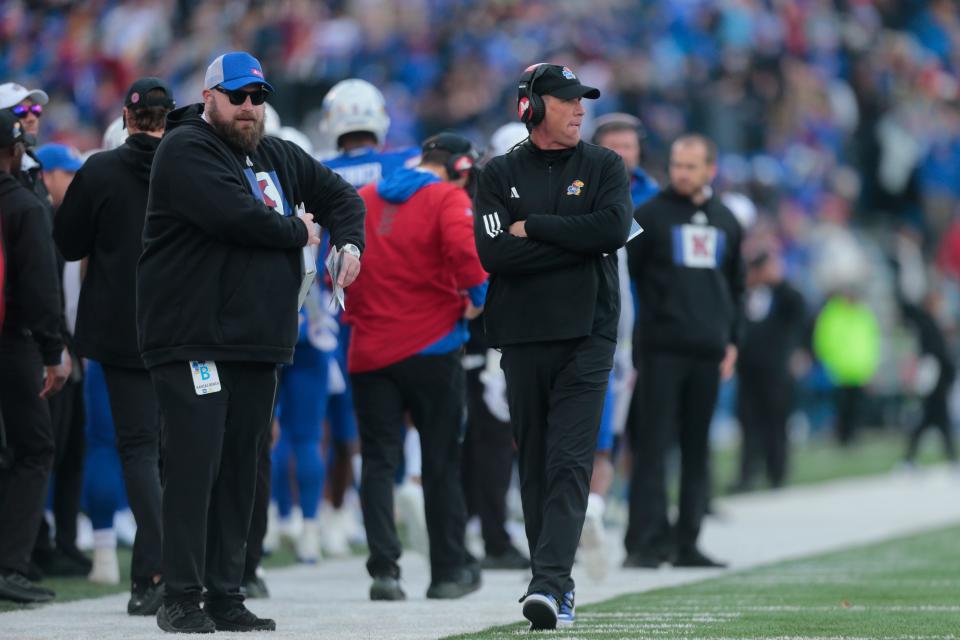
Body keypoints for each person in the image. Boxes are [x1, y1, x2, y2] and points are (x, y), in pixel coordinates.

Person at [137, 51, 364, 633]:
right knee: (194, 466)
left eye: (258, 97)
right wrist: (301, 231)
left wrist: (349, 246)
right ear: (209, 96)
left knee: (242, 468)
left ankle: (225, 594)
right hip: (193, 338)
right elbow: (237, 218)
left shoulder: (275, 152)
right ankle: (180, 597)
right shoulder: (185, 147)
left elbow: (341, 195)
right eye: (237, 95)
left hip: (259, 341)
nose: (248, 107)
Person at [474, 62, 631, 630]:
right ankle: (555, 579)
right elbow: (495, 256)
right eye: (567, 101)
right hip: (520, 335)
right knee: (536, 463)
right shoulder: (496, 174)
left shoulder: (604, 164)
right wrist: (575, 238)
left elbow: (612, 230)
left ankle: (547, 584)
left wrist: (534, 227)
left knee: (569, 462)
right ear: (533, 107)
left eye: (582, 101)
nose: (580, 110)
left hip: (587, 333)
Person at [346, 132, 487, 601]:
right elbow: (467, 258)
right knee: (441, 459)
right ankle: (447, 571)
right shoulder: (447, 197)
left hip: (369, 350)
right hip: (432, 346)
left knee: (379, 461)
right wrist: (479, 300)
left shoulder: (364, 197)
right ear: (460, 167)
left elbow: (340, 266)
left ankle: (384, 570)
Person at [53, 77, 176, 615]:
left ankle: (155, 570)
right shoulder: (192, 167)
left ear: (128, 119)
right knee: (178, 452)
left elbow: (68, 242)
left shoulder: (99, 169)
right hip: (183, 325)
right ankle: (161, 573)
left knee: (134, 449)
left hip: (120, 330)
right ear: (168, 118)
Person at [624, 134, 744, 571]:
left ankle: (688, 541)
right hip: (660, 351)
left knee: (697, 450)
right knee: (652, 448)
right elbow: (625, 280)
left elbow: (736, 287)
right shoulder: (650, 216)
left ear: (710, 169)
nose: (681, 173)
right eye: (676, 164)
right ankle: (646, 542)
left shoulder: (727, 220)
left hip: (708, 352)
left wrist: (733, 340)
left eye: (691, 166)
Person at [319, 78, 422, 558]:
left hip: (341, 313)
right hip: (402, 307)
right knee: (406, 413)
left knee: (351, 422)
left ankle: (349, 512)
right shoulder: (405, 162)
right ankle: (402, 497)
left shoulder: (318, 170)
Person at [579, 113, 659, 580]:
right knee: (591, 432)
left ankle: (612, 509)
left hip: (641, 332)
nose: (621, 154)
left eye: (628, 145)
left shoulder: (654, 198)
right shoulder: (580, 190)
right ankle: (592, 508)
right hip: (592, 325)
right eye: (613, 145)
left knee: (628, 432)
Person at [0, 109, 69, 604]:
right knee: (34, 447)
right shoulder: (24, 205)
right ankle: (9, 566)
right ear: (16, 150)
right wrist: (52, 350)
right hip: (13, 341)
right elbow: (43, 289)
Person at [460, 121, 531, 572]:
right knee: (491, 440)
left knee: (486, 440)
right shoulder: (488, 208)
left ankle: (478, 528)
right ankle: (491, 535)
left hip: (489, 336)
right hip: (490, 338)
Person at [732, 250, 807, 491]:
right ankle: (747, 475)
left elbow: (800, 310)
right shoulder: (744, 294)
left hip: (776, 370)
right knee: (748, 423)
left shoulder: (784, 296)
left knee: (775, 422)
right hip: (748, 369)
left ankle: (777, 473)